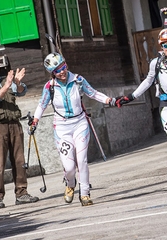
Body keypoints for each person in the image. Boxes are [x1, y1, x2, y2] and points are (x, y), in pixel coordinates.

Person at [117, 28, 167, 189]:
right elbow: (148, 82)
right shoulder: (156, 63)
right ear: (161, 46)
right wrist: (131, 97)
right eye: (166, 45)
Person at [32, 52, 118, 206]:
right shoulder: (49, 87)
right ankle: (70, 183)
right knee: (69, 167)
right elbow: (42, 104)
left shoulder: (78, 80)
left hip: (80, 123)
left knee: (82, 160)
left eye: (63, 67)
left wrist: (109, 100)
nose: (62, 71)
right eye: (57, 70)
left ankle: (84, 193)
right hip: (62, 128)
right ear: (52, 73)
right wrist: (35, 121)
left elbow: (93, 93)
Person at [0, 53, 39, 209]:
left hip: (14, 124)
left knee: (19, 161)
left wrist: (17, 82)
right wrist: (7, 85)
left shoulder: (6, 80)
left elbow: (21, 91)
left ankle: (22, 193)